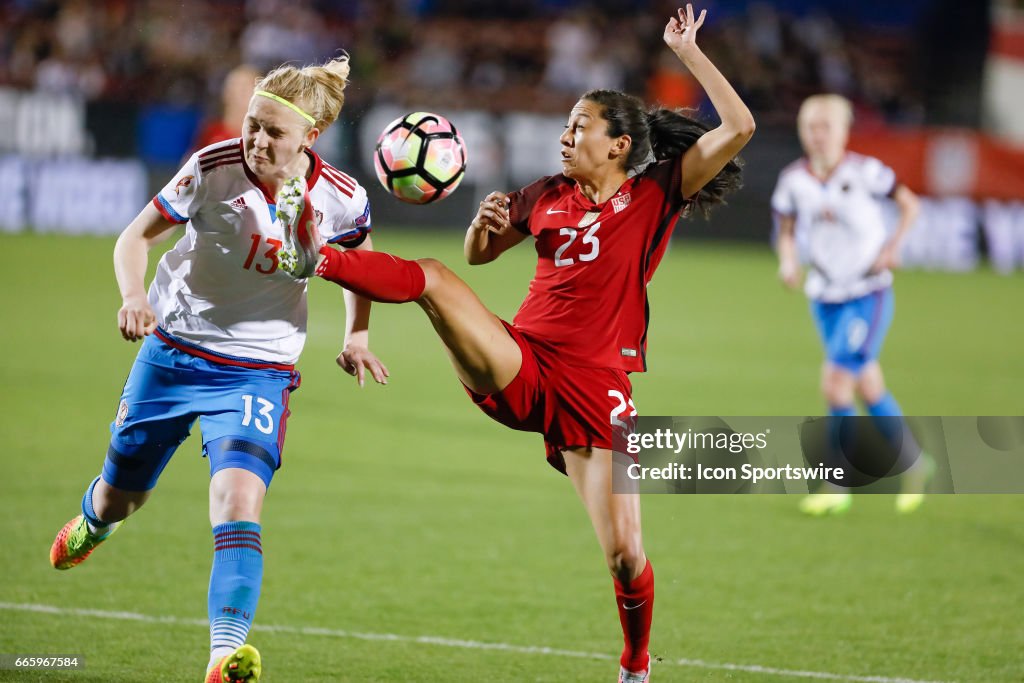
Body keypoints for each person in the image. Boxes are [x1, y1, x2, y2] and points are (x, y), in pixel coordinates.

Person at [278, 6, 752, 681]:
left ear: (619, 144)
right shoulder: (547, 195)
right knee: (436, 278)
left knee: (625, 553)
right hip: (521, 362)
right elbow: (477, 258)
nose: (566, 137)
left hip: (598, 391)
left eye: (579, 127)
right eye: (563, 126)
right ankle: (313, 256)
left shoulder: (656, 194)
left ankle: (636, 665)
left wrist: (688, 54)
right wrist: (481, 224)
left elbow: (740, 126)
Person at [48, 54, 386, 683]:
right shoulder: (213, 167)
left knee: (236, 503)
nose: (256, 139)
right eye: (253, 124)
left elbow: (359, 258)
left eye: (273, 131)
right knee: (123, 495)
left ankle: (224, 656)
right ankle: (96, 521)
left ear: (310, 138)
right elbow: (135, 236)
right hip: (175, 350)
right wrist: (133, 297)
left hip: (259, 369)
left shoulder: (341, 197)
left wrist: (357, 333)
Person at [771, 93, 931, 516]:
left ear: (843, 132)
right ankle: (916, 464)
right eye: (811, 127)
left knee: (836, 383)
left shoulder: (866, 172)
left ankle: (835, 484)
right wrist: (789, 262)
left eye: (827, 127)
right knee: (868, 385)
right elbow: (787, 229)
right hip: (824, 297)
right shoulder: (794, 180)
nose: (818, 136)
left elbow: (909, 203)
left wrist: (894, 247)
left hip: (868, 293)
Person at [193, 64, 262, 150]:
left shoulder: (264, 137)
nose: (244, 92)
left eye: (250, 85)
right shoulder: (211, 132)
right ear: (226, 93)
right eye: (239, 85)